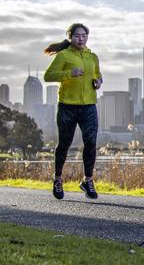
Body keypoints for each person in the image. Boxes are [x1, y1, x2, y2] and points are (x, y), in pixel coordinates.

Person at [44, 23, 102, 200]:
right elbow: (48, 76)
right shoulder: (63, 55)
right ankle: (58, 179)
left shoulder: (93, 57)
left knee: (91, 142)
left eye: (84, 35)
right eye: (77, 35)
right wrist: (70, 73)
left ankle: (88, 180)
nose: (81, 38)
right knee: (64, 144)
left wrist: (98, 82)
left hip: (89, 106)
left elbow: (98, 75)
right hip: (67, 106)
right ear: (71, 38)